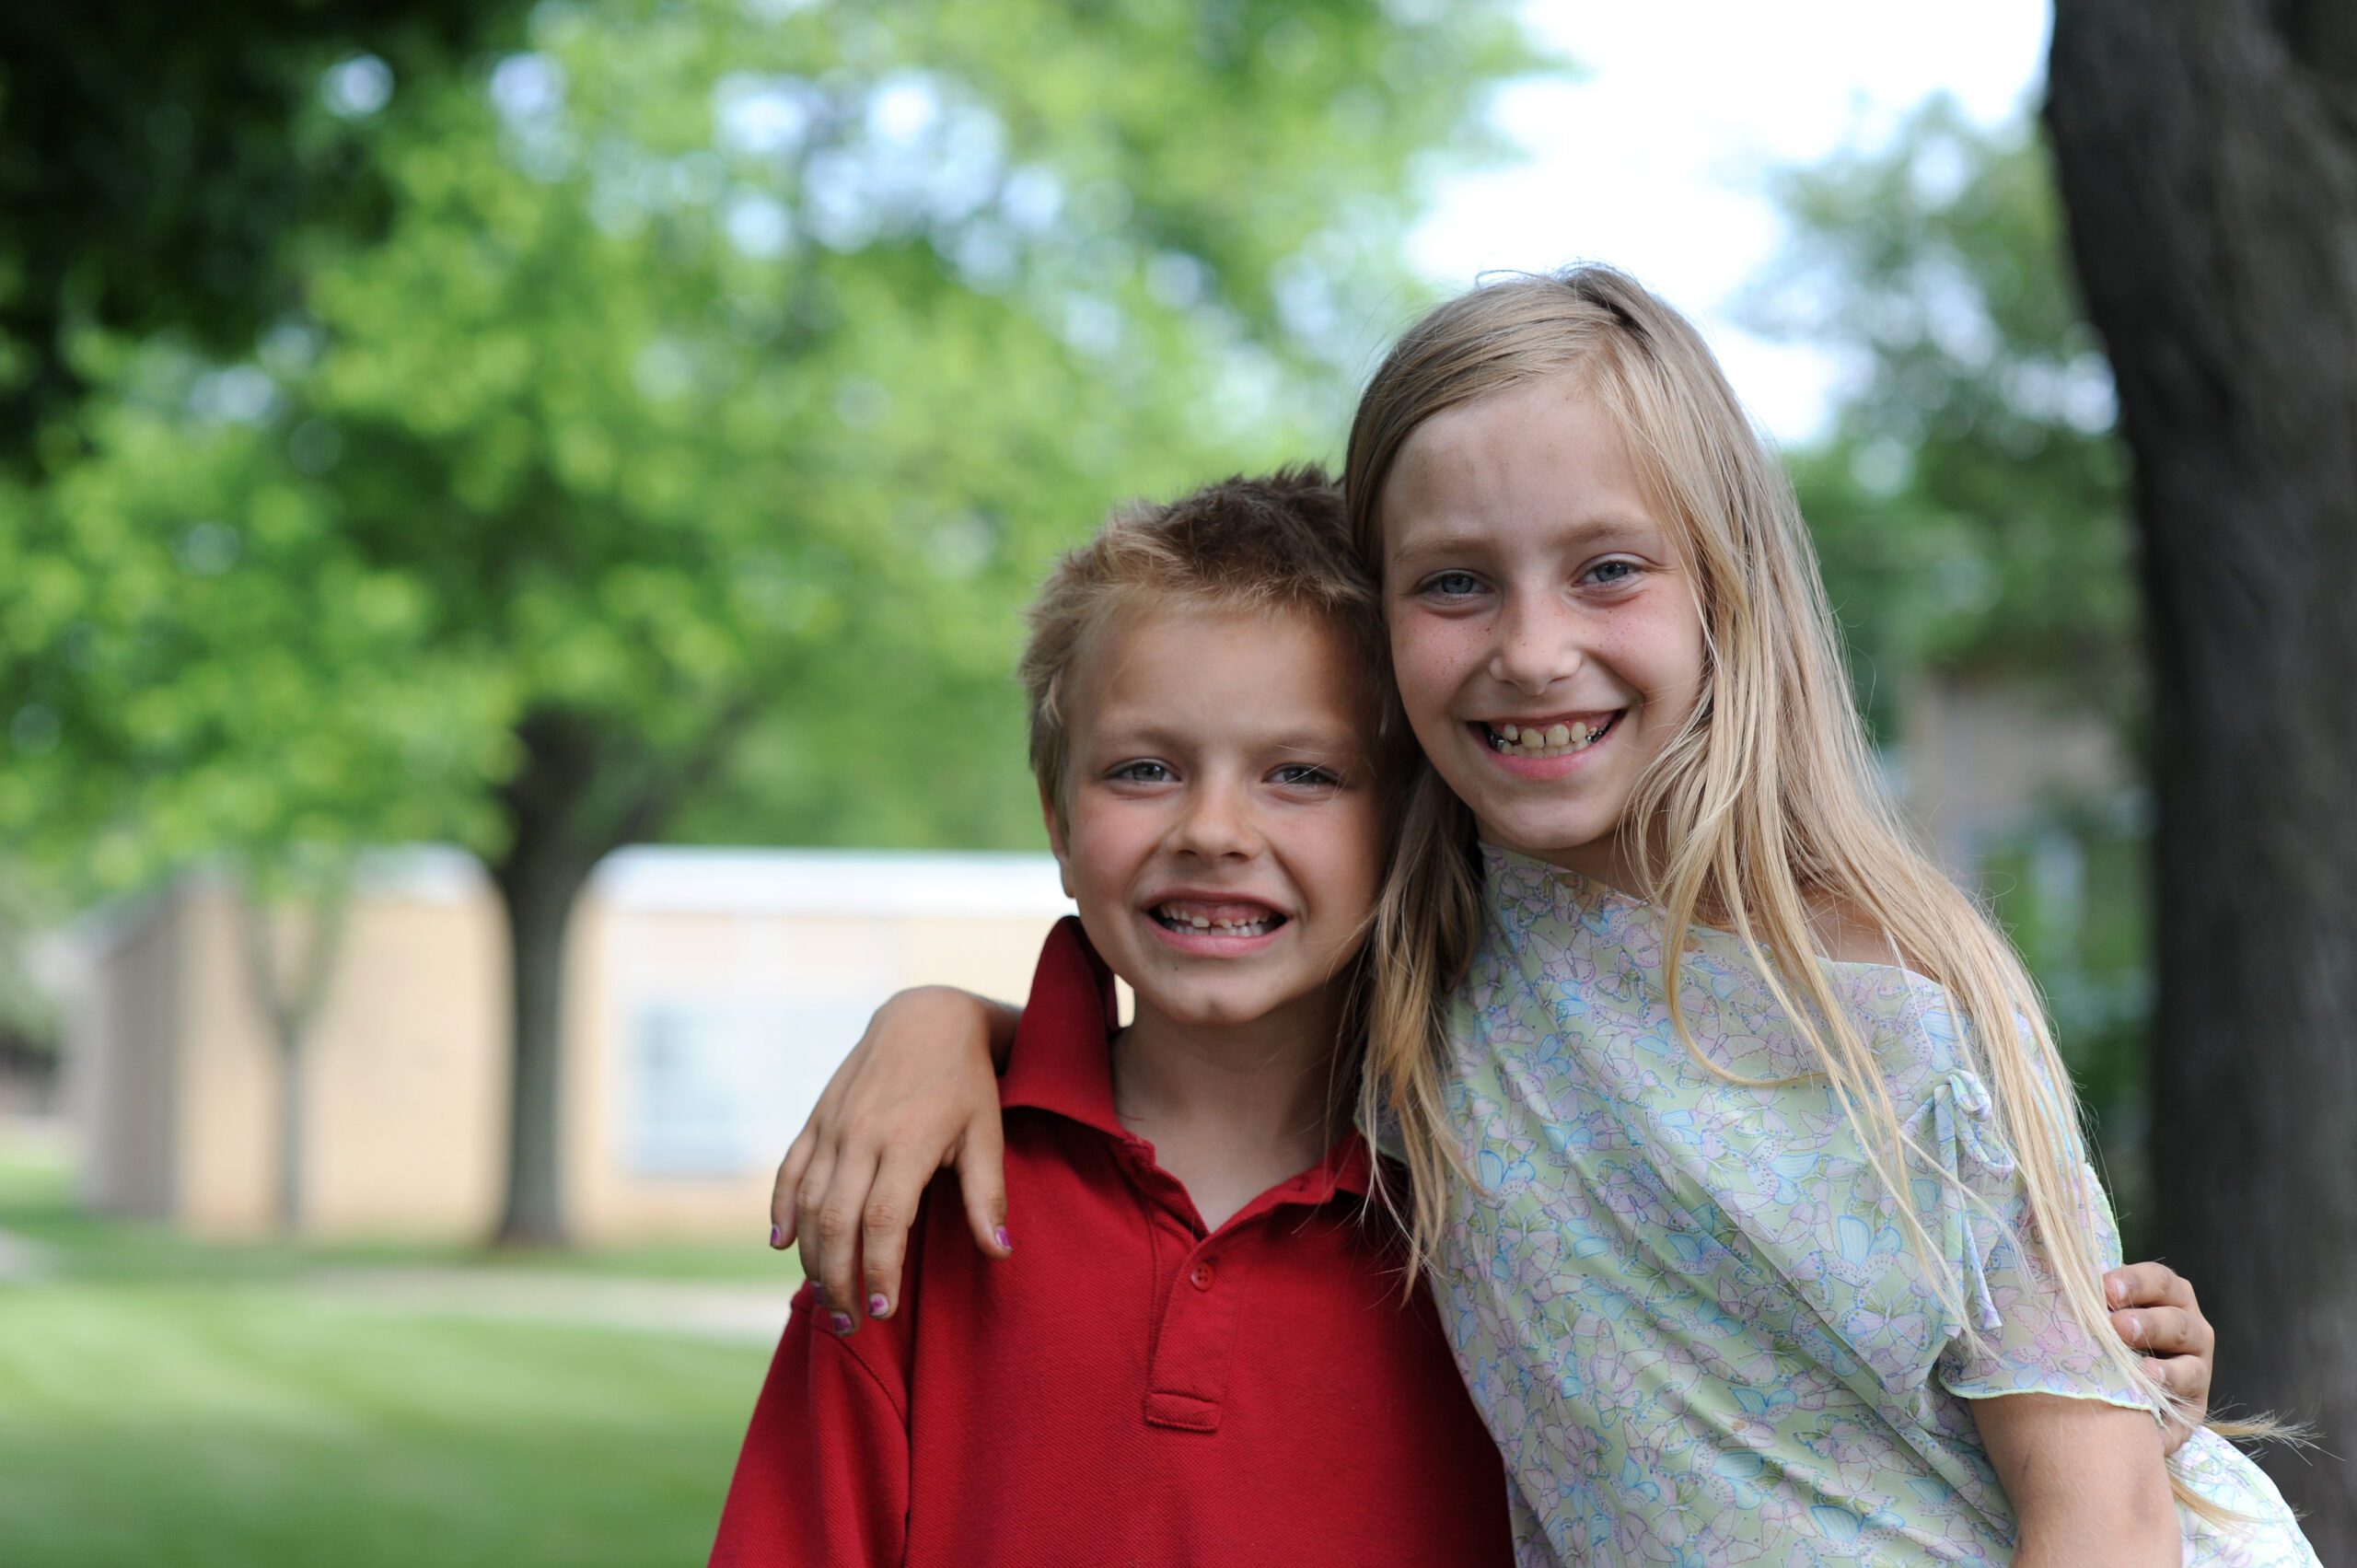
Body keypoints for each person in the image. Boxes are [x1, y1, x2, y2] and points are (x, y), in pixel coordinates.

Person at [772, 269, 2311, 1565]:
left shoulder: (1898, 992)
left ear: (1726, 588)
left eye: (1607, 571)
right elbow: (1199, 996)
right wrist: (933, 1029)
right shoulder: (1442, 962)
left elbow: (2098, 1496)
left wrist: (2116, 1351)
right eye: (1453, 584)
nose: (1533, 646)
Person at [710, 471, 1514, 1566]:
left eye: (1302, 772)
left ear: (1411, 821)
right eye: (1144, 768)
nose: (1214, 829)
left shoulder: (1503, 1213)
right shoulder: (916, 1203)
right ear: (1057, 814)